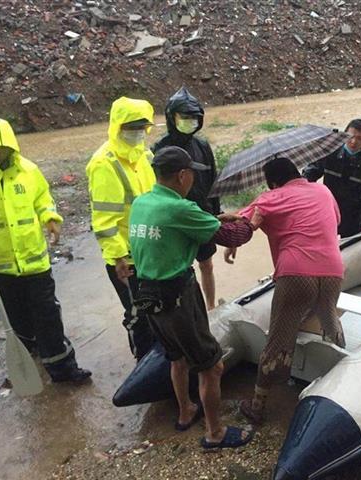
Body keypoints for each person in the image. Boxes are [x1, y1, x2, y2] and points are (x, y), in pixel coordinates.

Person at [129, 146, 257, 448]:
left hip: (147, 295)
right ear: (183, 176)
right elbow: (234, 237)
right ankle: (215, 433)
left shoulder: (142, 203)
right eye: (191, 175)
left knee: (176, 356)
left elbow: (177, 226)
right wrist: (252, 220)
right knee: (211, 365)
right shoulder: (181, 209)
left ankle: (186, 410)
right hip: (177, 297)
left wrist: (215, 217)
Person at [0, 117, 91, 383]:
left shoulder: (28, 170)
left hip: (33, 260)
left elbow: (42, 198)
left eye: (4, 146)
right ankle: (26, 358)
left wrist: (50, 217)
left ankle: (63, 369)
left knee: (47, 314)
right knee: (15, 318)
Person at [229, 157, 346, 424]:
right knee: (329, 318)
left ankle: (257, 405)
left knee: (279, 340)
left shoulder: (270, 198)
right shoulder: (323, 190)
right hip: (333, 269)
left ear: (272, 182)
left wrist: (229, 239)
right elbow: (335, 220)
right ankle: (344, 381)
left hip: (295, 273)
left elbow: (239, 226)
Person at [86, 97, 156, 361]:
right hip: (126, 257)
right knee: (138, 314)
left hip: (149, 247)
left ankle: (159, 360)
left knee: (155, 309)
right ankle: (143, 362)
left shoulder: (144, 155)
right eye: (132, 126)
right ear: (117, 126)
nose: (137, 131)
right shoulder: (104, 163)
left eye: (142, 126)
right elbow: (104, 220)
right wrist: (119, 257)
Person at [152, 87, 221, 310]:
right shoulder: (159, 149)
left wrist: (216, 212)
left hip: (200, 213)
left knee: (207, 265)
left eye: (194, 118)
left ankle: (210, 306)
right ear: (172, 117)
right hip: (172, 218)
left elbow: (213, 180)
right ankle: (186, 308)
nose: (190, 121)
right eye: (185, 117)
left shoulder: (201, 145)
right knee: (179, 269)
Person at [303, 118, 361, 237]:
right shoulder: (330, 153)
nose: (353, 141)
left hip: (354, 217)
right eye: (351, 136)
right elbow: (309, 176)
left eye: (359, 138)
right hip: (328, 212)